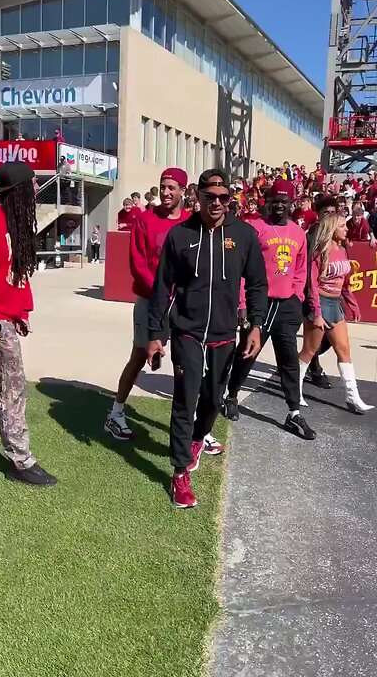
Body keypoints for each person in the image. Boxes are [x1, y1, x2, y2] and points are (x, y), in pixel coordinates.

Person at [145, 168, 267, 508]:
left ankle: (198, 438)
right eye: (210, 197)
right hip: (187, 330)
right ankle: (180, 472)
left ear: (230, 199)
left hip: (225, 334)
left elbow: (257, 285)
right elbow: (161, 288)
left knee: (213, 400)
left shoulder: (243, 235)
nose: (216, 203)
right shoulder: (179, 235)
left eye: (223, 197)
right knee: (186, 398)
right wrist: (156, 334)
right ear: (197, 196)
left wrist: (256, 326)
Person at [105, 168, 195, 443]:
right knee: (139, 356)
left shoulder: (192, 222)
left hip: (183, 303)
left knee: (186, 362)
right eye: (162, 187)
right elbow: (138, 263)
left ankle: (191, 425)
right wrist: (161, 293)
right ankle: (115, 414)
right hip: (151, 300)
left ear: (183, 191)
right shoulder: (145, 220)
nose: (166, 192)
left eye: (171, 188)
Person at [222, 180, 317, 439]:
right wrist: (243, 302)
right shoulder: (256, 228)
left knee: (289, 361)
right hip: (259, 303)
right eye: (276, 201)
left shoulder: (298, 233)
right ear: (269, 201)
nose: (279, 206)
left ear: (292, 203)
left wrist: (297, 296)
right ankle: (232, 395)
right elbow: (242, 269)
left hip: (286, 305)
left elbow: (301, 269)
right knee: (247, 353)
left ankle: (294, 412)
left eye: (284, 202)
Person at [0, 162, 57, 487]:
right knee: (10, 391)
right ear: (20, 190)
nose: (37, 188)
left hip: (5, 317)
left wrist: (21, 312)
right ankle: (21, 462)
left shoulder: (18, 220)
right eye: (34, 183)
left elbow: (16, 274)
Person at [297, 214, 375, 415]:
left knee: (344, 350)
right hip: (320, 303)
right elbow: (312, 285)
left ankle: (352, 396)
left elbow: (345, 283)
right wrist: (316, 312)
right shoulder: (319, 251)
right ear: (331, 228)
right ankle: (294, 389)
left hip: (335, 303)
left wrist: (353, 305)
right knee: (309, 351)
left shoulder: (342, 250)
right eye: (342, 226)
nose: (346, 229)